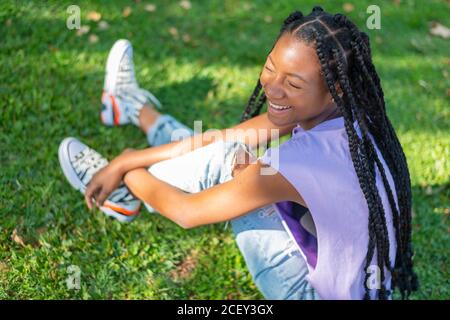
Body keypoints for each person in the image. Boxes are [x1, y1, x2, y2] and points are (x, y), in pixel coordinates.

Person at [58, 6, 418, 300]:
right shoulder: (351, 113)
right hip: (353, 279)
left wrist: (127, 172)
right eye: (270, 68)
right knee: (229, 152)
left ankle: (122, 193)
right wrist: (128, 157)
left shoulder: (299, 161)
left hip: (305, 293)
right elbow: (225, 136)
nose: (273, 89)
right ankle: (133, 109)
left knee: (227, 162)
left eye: (292, 83)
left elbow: (186, 212)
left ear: (335, 87)